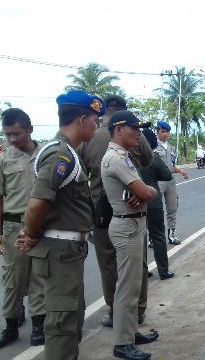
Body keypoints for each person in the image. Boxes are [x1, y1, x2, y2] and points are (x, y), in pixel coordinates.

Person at [15, 90, 102, 360]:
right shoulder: (60, 155)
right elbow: (37, 202)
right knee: (62, 324)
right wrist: (30, 234)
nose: (97, 126)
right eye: (94, 119)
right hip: (59, 250)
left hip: (68, 250)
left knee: (72, 317)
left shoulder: (70, 154)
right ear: (81, 119)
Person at [78, 94, 152, 328]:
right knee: (136, 263)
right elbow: (149, 161)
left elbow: (79, 175)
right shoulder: (133, 138)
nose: (137, 132)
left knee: (109, 262)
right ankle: (136, 310)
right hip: (132, 203)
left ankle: (114, 309)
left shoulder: (90, 137)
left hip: (101, 207)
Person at [101, 110, 159, 360]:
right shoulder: (116, 158)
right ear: (118, 129)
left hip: (132, 224)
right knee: (127, 286)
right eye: (134, 128)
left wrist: (147, 191)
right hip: (126, 226)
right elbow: (146, 194)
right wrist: (149, 192)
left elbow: (145, 191)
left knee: (133, 285)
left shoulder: (123, 156)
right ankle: (122, 343)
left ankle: (130, 332)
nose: (139, 133)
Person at [0, 108, 46, 349]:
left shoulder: (47, 154)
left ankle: (38, 326)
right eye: (8, 135)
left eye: (17, 134)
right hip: (13, 226)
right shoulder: (1, 159)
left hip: (43, 227)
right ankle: (11, 327)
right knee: (13, 279)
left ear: (30, 129)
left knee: (39, 278)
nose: (12, 140)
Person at [139, 128, 175, 280]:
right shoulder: (153, 157)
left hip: (137, 203)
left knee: (141, 236)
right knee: (158, 236)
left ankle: (143, 270)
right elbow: (167, 175)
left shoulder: (130, 158)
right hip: (154, 201)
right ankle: (163, 270)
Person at [155, 121, 188, 245]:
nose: (165, 134)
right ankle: (153, 237)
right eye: (163, 131)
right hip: (157, 182)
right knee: (155, 210)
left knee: (172, 208)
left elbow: (172, 166)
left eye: (167, 132)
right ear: (157, 132)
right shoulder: (153, 146)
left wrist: (180, 170)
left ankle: (172, 235)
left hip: (170, 181)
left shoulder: (171, 148)